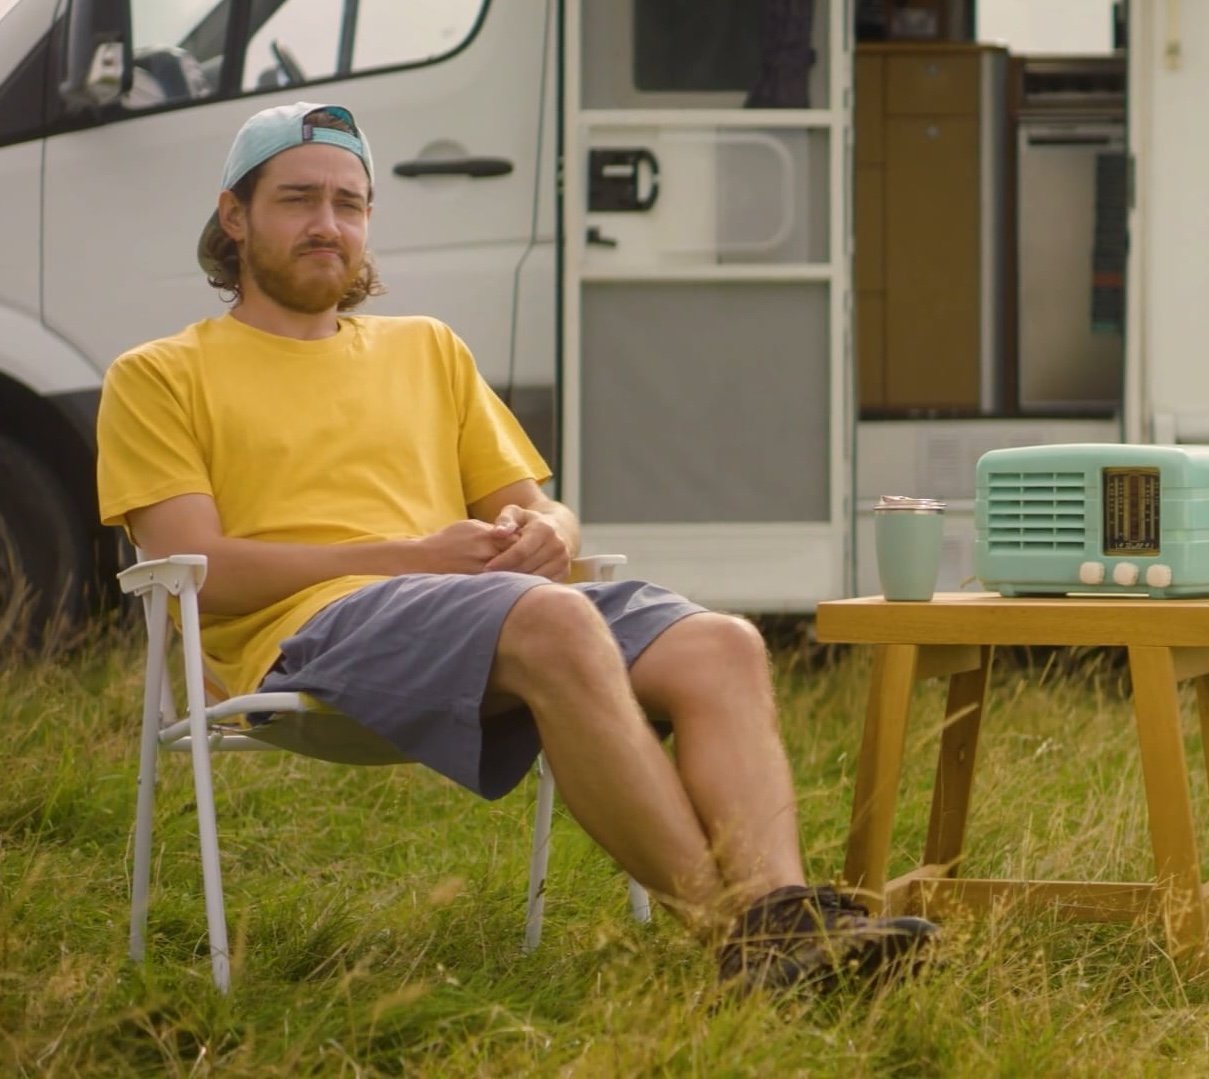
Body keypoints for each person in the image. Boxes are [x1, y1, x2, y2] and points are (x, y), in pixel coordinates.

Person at [94, 101, 935, 994]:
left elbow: (539, 508)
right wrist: (416, 557)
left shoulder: (427, 349)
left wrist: (549, 531)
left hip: (479, 605)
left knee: (722, 643)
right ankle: (746, 938)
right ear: (235, 216)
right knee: (556, 620)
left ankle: (777, 907)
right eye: (299, 199)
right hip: (308, 635)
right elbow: (202, 570)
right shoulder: (160, 374)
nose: (327, 224)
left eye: (350, 203)